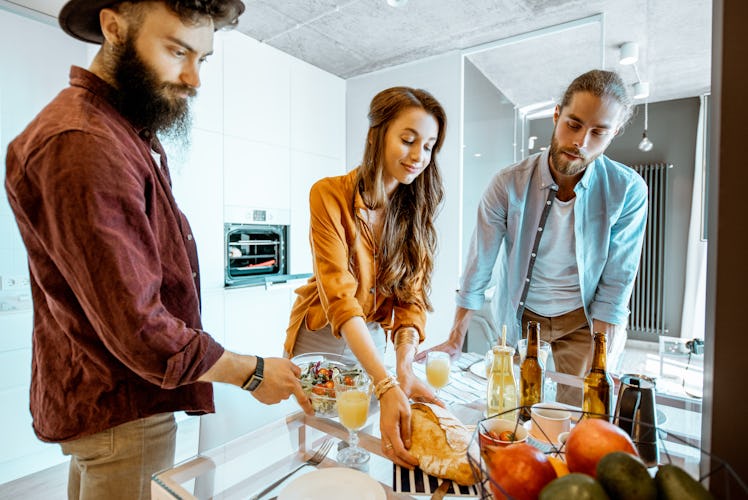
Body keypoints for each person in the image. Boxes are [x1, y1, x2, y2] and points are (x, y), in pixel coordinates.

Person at [4, 1, 312, 498]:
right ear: (113, 26)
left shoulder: (117, 131)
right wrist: (252, 372)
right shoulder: (85, 141)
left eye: (202, 59)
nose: (194, 79)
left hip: (109, 408)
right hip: (124, 411)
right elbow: (141, 329)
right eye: (176, 50)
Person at [417, 70, 648, 406]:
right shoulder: (507, 184)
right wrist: (455, 339)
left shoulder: (627, 191)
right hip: (521, 316)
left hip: (583, 320)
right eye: (573, 124)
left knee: (574, 415)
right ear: (556, 116)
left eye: (598, 132)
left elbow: (616, 284)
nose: (581, 142)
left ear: (612, 135)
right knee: (513, 408)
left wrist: (603, 359)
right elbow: (479, 265)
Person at [284, 86, 447, 468]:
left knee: (359, 449)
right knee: (319, 454)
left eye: (428, 146)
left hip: (370, 339)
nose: (418, 156)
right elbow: (340, 298)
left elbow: (411, 302)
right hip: (322, 339)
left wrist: (403, 369)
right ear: (377, 135)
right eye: (408, 140)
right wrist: (386, 381)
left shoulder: (413, 210)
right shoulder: (328, 195)